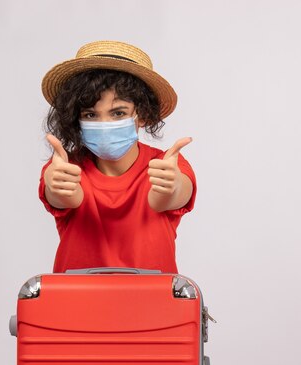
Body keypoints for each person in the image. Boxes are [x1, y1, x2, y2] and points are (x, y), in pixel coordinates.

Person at [38, 40, 196, 273]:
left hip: (152, 305)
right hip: (76, 304)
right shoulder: (65, 167)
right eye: (91, 114)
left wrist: (171, 188)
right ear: (76, 119)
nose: (104, 124)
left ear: (142, 115)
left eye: (118, 112)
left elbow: (177, 194)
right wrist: (58, 187)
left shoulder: (166, 166)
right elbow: (61, 196)